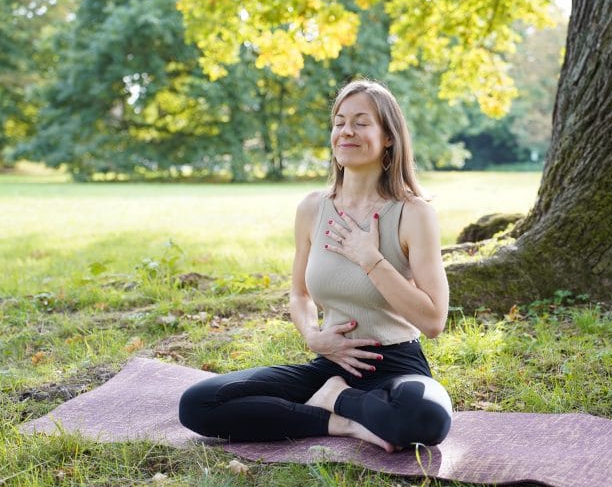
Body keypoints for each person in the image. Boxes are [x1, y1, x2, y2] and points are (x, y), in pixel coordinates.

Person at [178, 79, 452, 452]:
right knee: (198, 403)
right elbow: (299, 293)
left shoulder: (413, 213)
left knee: (425, 419)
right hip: (330, 361)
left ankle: (337, 399)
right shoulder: (312, 208)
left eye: (361, 122)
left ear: (389, 136)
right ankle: (341, 420)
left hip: (397, 366)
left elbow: (434, 321)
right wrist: (311, 335)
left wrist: (369, 257)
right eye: (339, 122)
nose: (346, 131)